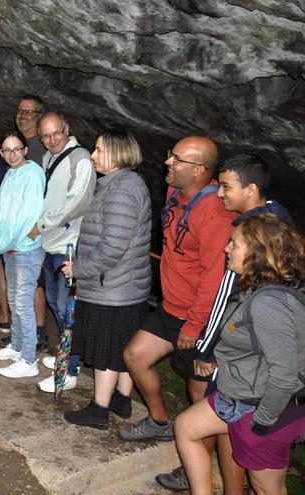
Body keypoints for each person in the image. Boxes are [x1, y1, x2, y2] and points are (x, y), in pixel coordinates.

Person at [155, 153, 294, 492]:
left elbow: (226, 300)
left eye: (227, 187)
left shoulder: (255, 251)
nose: (219, 193)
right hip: (251, 372)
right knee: (201, 425)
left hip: (252, 382)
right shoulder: (278, 223)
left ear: (250, 188)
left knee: (262, 475)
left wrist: (207, 347)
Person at [174, 214, 305, 495]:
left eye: (234, 244)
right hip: (239, 397)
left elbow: (283, 374)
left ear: (258, 253)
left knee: (266, 488)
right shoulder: (260, 288)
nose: (226, 249)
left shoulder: (269, 303)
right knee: (186, 427)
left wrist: (261, 425)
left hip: (263, 409)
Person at [121, 136, 236, 442]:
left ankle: (197, 460)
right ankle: (160, 422)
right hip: (171, 307)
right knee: (135, 356)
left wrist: (195, 324)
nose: (168, 162)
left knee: (199, 392)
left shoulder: (215, 212)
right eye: (171, 154)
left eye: (178, 159)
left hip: (197, 317)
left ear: (200, 170)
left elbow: (216, 276)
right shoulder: (175, 191)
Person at [57, 128, 151, 429]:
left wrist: (79, 268)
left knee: (106, 350)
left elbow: (112, 246)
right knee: (122, 344)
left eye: (99, 150)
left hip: (112, 287)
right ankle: (122, 400)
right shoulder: (121, 183)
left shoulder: (121, 189)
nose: (94, 155)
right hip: (125, 286)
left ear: (118, 152)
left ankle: (99, 410)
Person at [33, 111, 96, 393]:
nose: (52, 140)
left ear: (66, 129)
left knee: (66, 305)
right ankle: (67, 353)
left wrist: (42, 225)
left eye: (56, 133)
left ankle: (70, 368)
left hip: (68, 245)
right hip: (50, 242)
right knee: (56, 303)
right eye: (45, 135)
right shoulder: (48, 158)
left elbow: (77, 203)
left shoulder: (80, 158)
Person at [0, 130, 45, 376]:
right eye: (7, 150)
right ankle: (17, 345)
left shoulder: (33, 173)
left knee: (22, 304)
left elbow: (26, 217)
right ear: (1, 153)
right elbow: (2, 211)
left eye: (16, 149)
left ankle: (29, 359)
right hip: (10, 247)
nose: (12, 154)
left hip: (26, 249)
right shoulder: (11, 173)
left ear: (25, 149)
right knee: (12, 299)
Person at [15, 95, 48, 350]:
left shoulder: (41, 148)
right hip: (18, 225)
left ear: (38, 116)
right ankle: (24, 332)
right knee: (22, 281)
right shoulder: (18, 145)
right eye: (21, 110)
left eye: (29, 111)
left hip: (36, 226)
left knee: (35, 282)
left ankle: (39, 332)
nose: (23, 115)